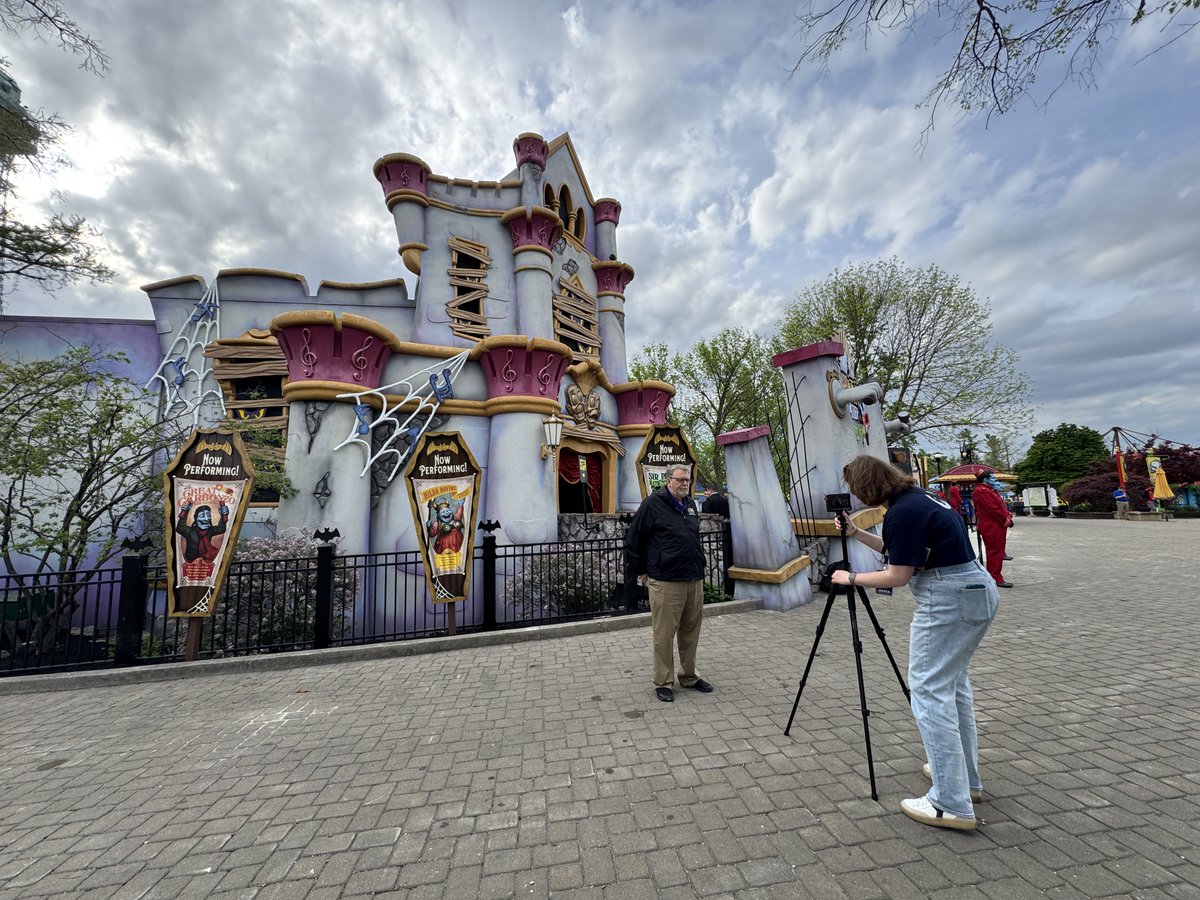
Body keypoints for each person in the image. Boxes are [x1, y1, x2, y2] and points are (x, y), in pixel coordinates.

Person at [831, 454, 999, 831]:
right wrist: (857, 533)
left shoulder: (902, 513)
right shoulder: (920, 499)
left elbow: (897, 575)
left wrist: (851, 578)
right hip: (973, 589)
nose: (855, 497)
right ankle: (964, 780)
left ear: (867, 486)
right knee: (953, 688)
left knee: (927, 690)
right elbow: (902, 548)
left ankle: (949, 802)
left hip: (947, 598)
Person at [624, 463, 713, 703]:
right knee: (664, 634)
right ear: (669, 480)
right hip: (666, 581)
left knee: (691, 631)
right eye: (680, 479)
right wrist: (641, 569)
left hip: (693, 578)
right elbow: (634, 538)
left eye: (688, 480)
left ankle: (689, 676)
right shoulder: (653, 504)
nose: (685, 483)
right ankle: (663, 681)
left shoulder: (690, 505)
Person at [974, 474, 1014, 588]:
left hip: (996, 524)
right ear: (985, 479)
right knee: (994, 553)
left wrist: (1007, 516)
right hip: (991, 525)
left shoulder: (988, 490)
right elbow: (993, 509)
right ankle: (995, 578)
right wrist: (1005, 519)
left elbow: (999, 507)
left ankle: (995, 576)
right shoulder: (982, 491)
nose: (995, 480)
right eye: (992, 478)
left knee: (998, 552)